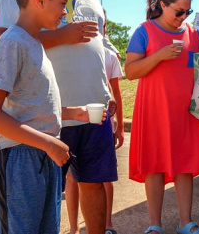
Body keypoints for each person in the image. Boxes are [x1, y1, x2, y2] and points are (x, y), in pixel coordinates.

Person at [0, 0, 117, 234]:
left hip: (91, 110)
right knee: (37, 205)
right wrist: (62, 36)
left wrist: (108, 92)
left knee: (94, 183)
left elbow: (99, 44)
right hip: (44, 120)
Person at [0, 0, 98, 234]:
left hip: (42, 153)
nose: (65, 13)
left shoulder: (32, 44)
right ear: (40, 0)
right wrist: (48, 143)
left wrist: (70, 113)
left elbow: (28, 103)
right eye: (62, 4)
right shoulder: (12, 43)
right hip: (19, 158)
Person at [125, 0, 199, 234]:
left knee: (185, 166)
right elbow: (130, 71)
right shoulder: (144, 30)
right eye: (178, 11)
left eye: (187, 12)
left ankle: (185, 222)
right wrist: (159, 55)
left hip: (186, 111)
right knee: (154, 165)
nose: (183, 17)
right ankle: (154, 225)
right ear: (162, 5)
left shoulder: (192, 32)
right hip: (154, 111)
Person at [65, 12, 125, 234]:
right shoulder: (67, 49)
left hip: (99, 121)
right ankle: (73, 228)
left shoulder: (107, 54)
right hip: (70, 120)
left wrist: (119, 123)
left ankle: (106, 224)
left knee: (101, 179)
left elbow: (113, 90)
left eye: (101, 24)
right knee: (72, 179)